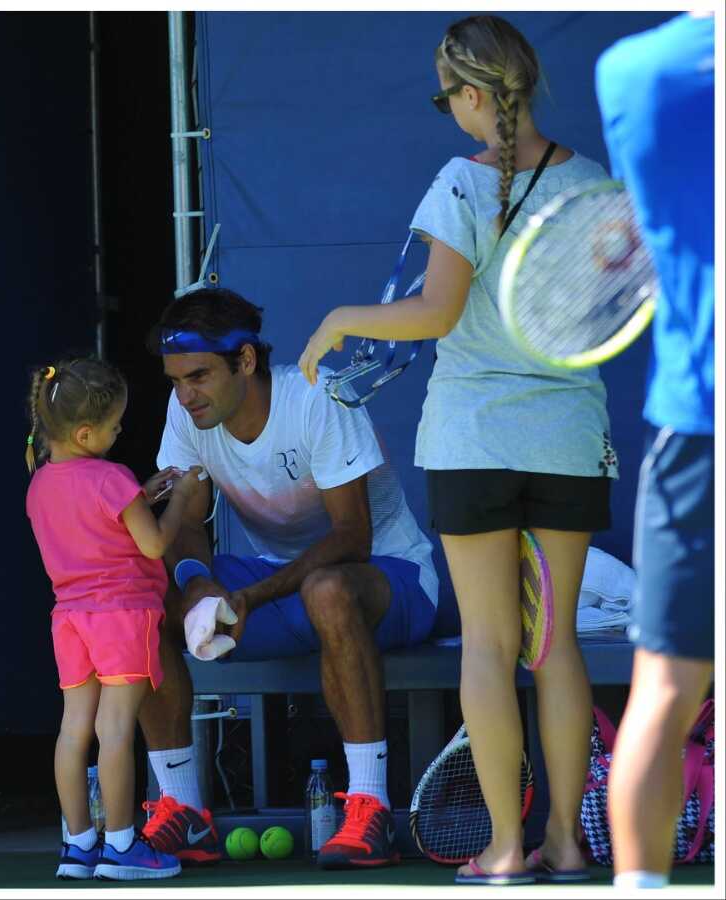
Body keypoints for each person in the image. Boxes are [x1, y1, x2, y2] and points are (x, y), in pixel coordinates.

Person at [298, 15, 619, 885]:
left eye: (449, 97)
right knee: (555, 648)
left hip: (475, 444)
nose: (449, 112)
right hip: (567, 442)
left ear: (473, 95)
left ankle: (505, 852)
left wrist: (338, 320)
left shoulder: (458, 184)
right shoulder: (592, 185)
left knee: (487, 644)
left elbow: (433, 313)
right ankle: (562, 843)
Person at [139, 288, 439, 869]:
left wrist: (249, 595)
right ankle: (184, 808)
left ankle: (370, 806)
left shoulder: (317, 395)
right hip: (281, 587)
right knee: (143, 598)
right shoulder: (187, 413)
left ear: (245, 361)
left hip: (389, 576)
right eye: (175, 380)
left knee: (326, 590)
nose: (184, 395)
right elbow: (185, 518)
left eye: (198, 376)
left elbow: (353, 539)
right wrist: (198, 580)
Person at [594, 12, 715, 890]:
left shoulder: (628, 74)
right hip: (691, 415)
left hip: (692, 425)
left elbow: (622, 241)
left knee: (664, 695)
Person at [25, 357, 199, 881]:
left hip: (70, 619)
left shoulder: (39, 483)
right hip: (123, 615)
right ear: (84, 432)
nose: (121, 432)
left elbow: (89, 523)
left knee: (74, 728)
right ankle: (123, 846)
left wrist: (139, 499)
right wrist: (182, 500)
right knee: (117, 728)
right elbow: (153, 542)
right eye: (114, 426)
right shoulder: (112, 477)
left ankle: (77, 846)